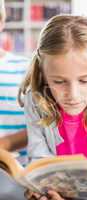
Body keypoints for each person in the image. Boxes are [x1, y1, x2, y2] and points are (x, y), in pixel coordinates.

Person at [18, 14, 87, 200]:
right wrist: (43, 189)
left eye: (85, 80)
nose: (73, 95)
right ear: (43, 72)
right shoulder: (36, 99)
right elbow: (40, 159)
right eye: (59, 81)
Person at [0, 0, 28, 151]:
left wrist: (5, 145)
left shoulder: (26, 69)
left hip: (18, 170)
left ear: (1, 22)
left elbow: (41, 126)